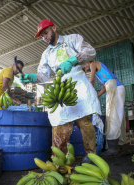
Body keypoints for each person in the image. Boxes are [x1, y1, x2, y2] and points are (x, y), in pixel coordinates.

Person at [19, 19, 102, 163]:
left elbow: (90, 51)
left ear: (54, 28)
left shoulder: (73, 39)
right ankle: (59, 159)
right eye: (42, 36)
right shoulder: (46, 54)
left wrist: (72, 61)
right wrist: (31, 77)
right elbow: (42, 75)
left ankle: (90, 155)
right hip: (61, 89)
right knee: (60, 124)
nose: (44, 37)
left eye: (46, 33)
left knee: (85, 123)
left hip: (79, 86)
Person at [83, 60, 126, 156]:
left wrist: (90, 92)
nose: (86, 70)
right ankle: (120, 144)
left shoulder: (93, 64)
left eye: (85, 68)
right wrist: (97, 95)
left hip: (115, 87)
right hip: (117, 87)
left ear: (86, 62)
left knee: (112, 116)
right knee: (118, 116)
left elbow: (91, 79)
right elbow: (105, 86)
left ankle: (113, 148)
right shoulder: (103, 71)